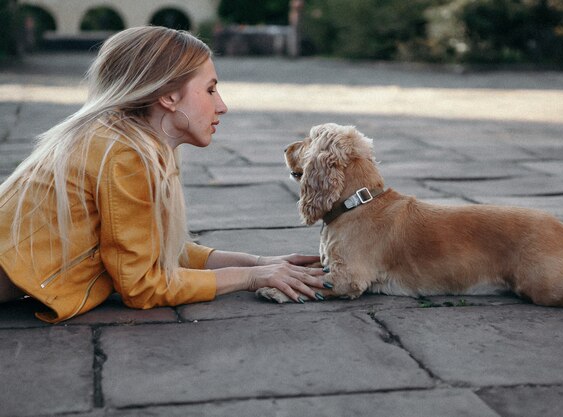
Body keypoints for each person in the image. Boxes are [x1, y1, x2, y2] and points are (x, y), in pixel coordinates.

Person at [0, 26, 328, 323]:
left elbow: (155, 249)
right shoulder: (125, 155)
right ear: (169, 96)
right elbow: (143, 286)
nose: (222, 105)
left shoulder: (127, 141)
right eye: (211, 90)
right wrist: (252, 278)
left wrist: (256, 263)